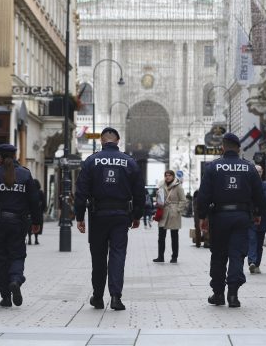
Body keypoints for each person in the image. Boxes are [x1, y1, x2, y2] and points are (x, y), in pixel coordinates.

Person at [75, 127, 144, 311]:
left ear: (101, 141)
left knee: (98, 257)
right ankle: (115, 297)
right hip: (122, 216)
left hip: (98, 215)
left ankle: (97, 297)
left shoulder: (91, 161)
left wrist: (79, 216)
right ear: (118, 140)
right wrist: (137, 215)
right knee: (118, 254)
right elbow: (139, 192)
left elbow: (81, 191)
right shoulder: (129, 162)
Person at [196, 133, 264, 308]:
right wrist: (257, 214)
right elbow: (259, 195)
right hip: (242, 217)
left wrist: (202, 217)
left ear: (222, 148)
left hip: (219, 217)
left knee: (218, 255)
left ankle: (218, 294)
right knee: (237, 255)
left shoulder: (213, 167)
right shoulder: (249, 167)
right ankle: (233, 295)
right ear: (239, 148)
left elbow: (203, 195)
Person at [0, 144, 41, 308]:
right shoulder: (25, 174)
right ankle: (15, 280)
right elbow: (34, 200)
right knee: (17, 255)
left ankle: (5, 296)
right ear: (16, 155)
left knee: (0, 258)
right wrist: (36, 222)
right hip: (18, 223)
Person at [247, 164, 266, 274]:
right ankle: (252, 262)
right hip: (251, 218)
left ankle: (257, 264)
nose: (257, 173)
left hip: (263, 218)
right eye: (256, 171)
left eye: (259, 171)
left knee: (259, 243)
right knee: (252, 240)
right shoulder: (248, 185)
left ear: (262, 172)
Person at [153, 170, 187, 263]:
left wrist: (178, 210)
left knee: (174, 236)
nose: (167, 177)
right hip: (163, 212)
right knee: (161, 236)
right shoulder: (161, 185)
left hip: (173, 213)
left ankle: (174, 257)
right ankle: (160, 257)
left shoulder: (178, 186)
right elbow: (159, 199)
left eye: (169, 175)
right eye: (166, 175)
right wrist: (158, 197)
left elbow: (183, 200)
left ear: (173, 176)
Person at [27, 179, 46, 245]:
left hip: (29, 213)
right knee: (37, 224)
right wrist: (42, 210)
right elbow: (44, 203)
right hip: (38, 212)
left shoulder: (29, 192)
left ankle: (29, 238)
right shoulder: (40, 192)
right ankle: (36, 239)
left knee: (29, 225)